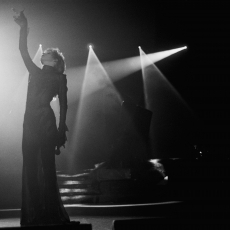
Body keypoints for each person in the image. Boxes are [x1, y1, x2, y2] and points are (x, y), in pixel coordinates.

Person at [13, 9, 71, 226]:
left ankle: (49, 214)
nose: (44, 52)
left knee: (47, 169)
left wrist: (60, 129)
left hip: (46, 124)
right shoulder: (34, 72)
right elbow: (22, 49)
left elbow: (63, 105)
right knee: (30, 168)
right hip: (29, 124)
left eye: (48, 52)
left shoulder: (59, 78)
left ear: (55, 61)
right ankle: (37, 214)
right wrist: (23, 27)